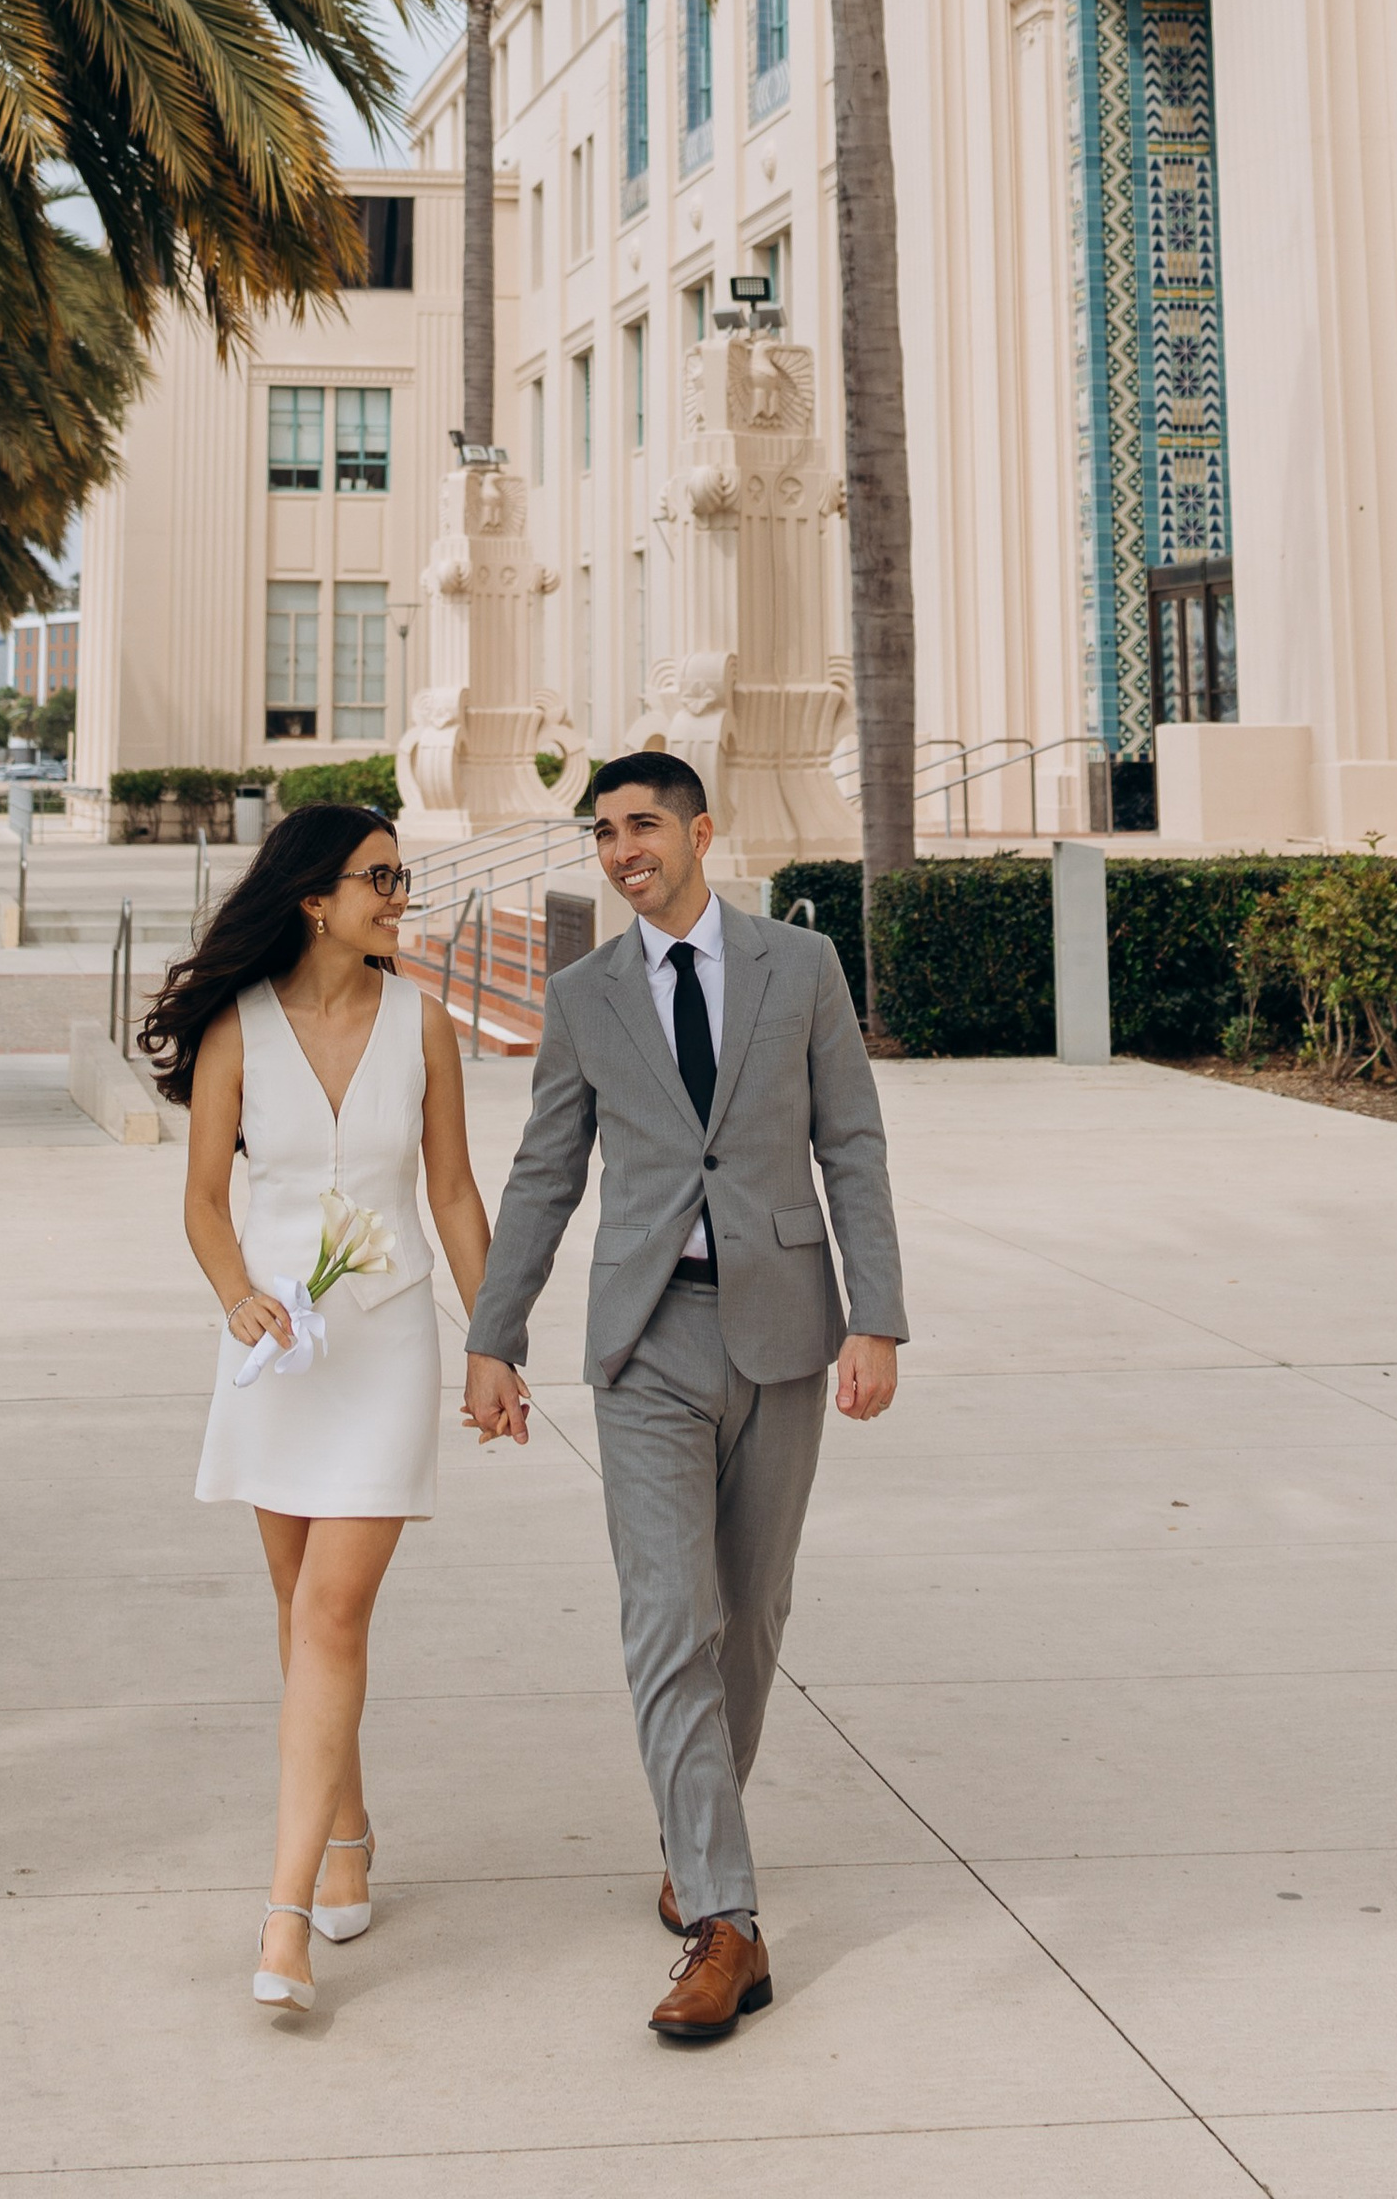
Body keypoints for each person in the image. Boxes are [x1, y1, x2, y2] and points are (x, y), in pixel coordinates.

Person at [464, 750, 906, 2042]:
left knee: (750, 1617)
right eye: (603, 833)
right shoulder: (584, 995)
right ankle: (725, 1921)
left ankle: (692, 1835)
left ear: (701, 831)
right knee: (670, 1616)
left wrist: (876, 1315)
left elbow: (851, 1144)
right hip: (645, 1341)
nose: (622, 851)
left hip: (783, 1329)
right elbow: (546, 1174)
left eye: (642, 825)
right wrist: (495, 1336)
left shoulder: (799, 966)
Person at [142, 802, 494, 2019]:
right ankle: (346, 1829)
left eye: (401, 877)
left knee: (333, 1612)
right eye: (378, 878)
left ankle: (282, 1916)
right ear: (313, 900)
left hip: (386, 1345)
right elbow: (204, 1201)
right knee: (301, 1614)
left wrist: (491, 1339)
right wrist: (235, 1296)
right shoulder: (237, 1028)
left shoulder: (422, 1023)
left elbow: (453, 1193)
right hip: (280, 1353)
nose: (399, 896)